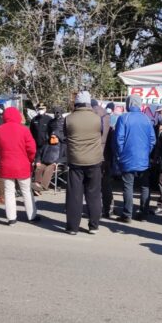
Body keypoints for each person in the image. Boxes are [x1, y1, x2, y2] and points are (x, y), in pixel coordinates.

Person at [0, 107, 40, 225]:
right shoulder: (24, 130)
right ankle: (31, 216)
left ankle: (11, 218)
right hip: (22, 165)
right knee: (26, 191)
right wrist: (30, 160)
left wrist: (1, 154)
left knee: (9, 191)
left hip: (6, 164)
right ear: (17, 116)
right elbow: (31, 148)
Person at [64, 91, 104, 235]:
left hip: (75, 161)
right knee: (93, 194)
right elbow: (101, 133)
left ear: (76, 103)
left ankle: (73, 227)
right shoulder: (97, 118)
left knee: (75, 195)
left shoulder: (69, 119)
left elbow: (65, 136)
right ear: (88, 103)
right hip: (94, 160)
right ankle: (93, 226)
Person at [114, 95, 156, 222]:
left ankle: (127, 215)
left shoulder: (123, 118)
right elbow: (152, 140)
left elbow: (118, 139)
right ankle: (143, 214)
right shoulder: (146, 119)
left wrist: (121, 154)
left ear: (128, 104)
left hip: (127, 157)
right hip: (143, 158)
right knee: (144, 186)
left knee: (128, 186)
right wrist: (146, 152)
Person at [33, 106, 66, 194]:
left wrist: (57, 161)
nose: (53, 136)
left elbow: (66, 157)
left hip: (56, 163)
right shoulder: (47, 143)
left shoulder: (64, 145)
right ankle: (36, 186)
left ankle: (43, 187)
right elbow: (39, 152)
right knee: (39, 168)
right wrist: (38, 161)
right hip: (46, 161)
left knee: (49, 169)